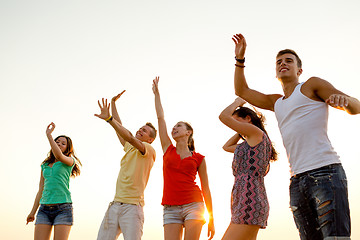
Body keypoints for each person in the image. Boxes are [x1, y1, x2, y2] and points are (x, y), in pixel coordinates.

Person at [232, 33, 360, 239]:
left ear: (299, 70)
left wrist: (344, 101)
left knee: (336, 237)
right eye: (279, 62)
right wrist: (240, 59)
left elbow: (356, 107)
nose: (283, 63)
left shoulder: (311, 85)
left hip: (325, 172)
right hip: (297, 182)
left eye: (289, 61)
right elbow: (242, 90)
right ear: (276, 73)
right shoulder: (276, 102)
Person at [152, 76, 215, 240]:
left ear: (189, 132)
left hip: (194, 205)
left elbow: (206, 188)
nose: (174, 128)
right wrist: (156, 95)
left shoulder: (199, 158)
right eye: (174, 126)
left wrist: (211, 218)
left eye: (179, 126)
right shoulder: (167, 149)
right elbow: (160, 118)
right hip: (170, 208)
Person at [94, 92, 157, 240]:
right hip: (115, 205)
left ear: (151, 139)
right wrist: (113, 103)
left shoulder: (148, 149)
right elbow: (120, 128)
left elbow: (127, 135)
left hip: (132, 207)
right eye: (140, 128)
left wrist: (109, 119)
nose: (140, 131)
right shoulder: (129, 147)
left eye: (144, 131)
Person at [219, 97, 277, 240]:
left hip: (250, 200)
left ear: (248, 118)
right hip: (243, 198)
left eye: (236, 121)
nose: (234, 125)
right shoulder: (248, 143)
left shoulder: (256, 133)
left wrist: (237, 103)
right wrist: (239, 130)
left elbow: (223, 117)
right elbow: (226, 147)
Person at [26, 122, 81, 240]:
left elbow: (59, 156)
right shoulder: (44, 165)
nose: (59, 144)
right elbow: (40, 189)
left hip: (63, 209)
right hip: (44, 209)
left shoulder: (69, 161)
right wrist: (32, 212)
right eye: (57, 142)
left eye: (63, 143)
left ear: (68, 148)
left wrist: (49, 136)